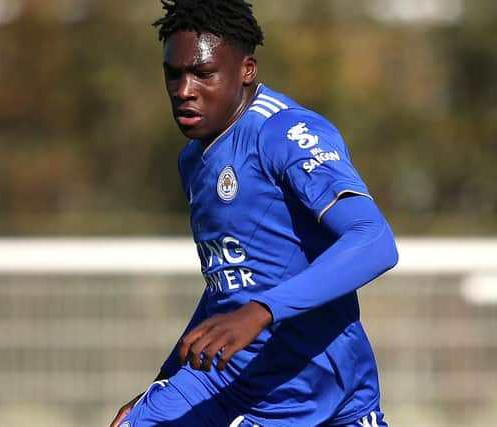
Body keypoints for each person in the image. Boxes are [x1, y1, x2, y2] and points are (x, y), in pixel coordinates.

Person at [111, 1, 398, 426]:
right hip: (232, 380)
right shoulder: (193, 160)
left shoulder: (284, 132)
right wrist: (167, 378)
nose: (183, 89)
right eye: (174, 74)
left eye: (203, 74)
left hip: (322, 388)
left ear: (246, 70)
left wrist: (261, 310)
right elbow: (228, 282)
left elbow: (374, 240)